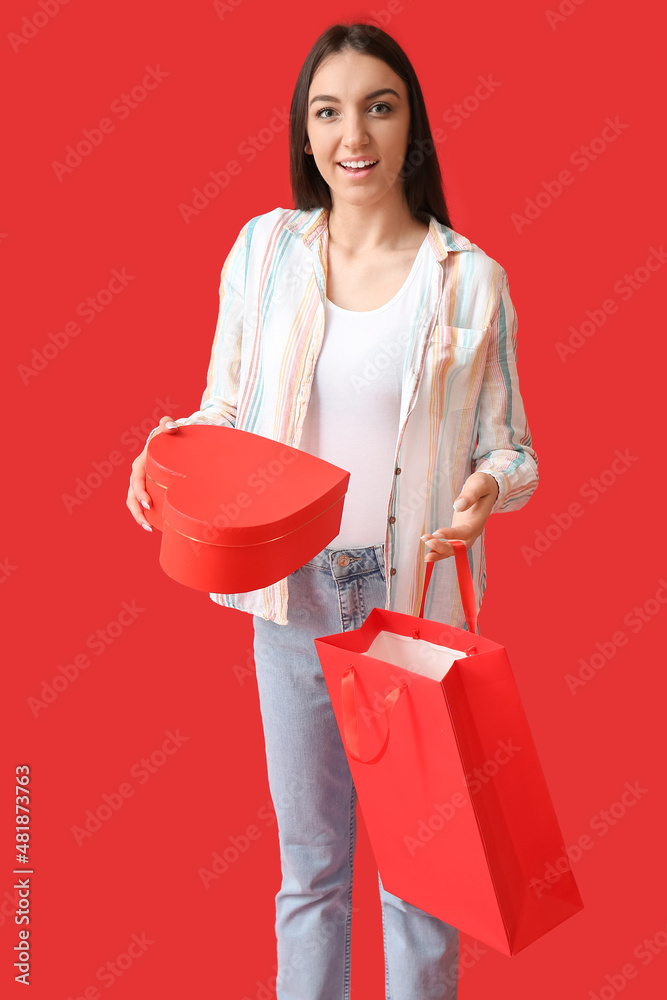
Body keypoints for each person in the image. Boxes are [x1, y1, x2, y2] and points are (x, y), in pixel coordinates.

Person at [127, 21, 538, 1000]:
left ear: (411, 129)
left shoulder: (469, 281)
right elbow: (224, 411)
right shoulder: (262, 252)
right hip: (292, 591)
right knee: (309, 871)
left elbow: (510, 447)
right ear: (305, 136)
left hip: (410, 601)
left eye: (378, 106)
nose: (353, 133)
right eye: (328, 110)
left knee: (419, 882)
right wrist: (164, 449)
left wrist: (485, 492)